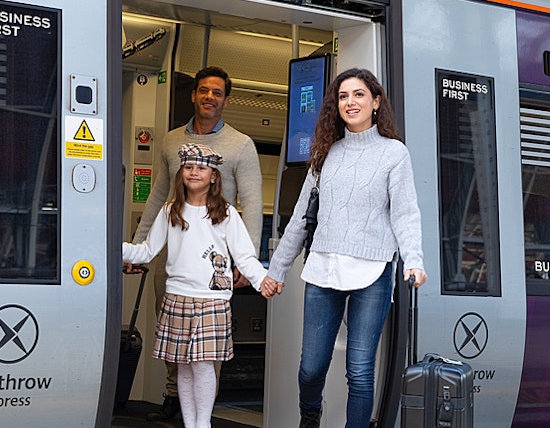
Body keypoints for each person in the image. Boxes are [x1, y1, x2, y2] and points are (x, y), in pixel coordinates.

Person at [261, 68, 427, 428]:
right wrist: (276, 271)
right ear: (335, 106)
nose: (350, 102)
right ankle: (310, 415)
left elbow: (405, 214)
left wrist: (414, 260)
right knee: (310, 368)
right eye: (343, 96)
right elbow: (302, 220)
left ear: (376, 102)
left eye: (358, 95)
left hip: (373, 271)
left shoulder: (393, 154)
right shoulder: (325, 154)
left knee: (360, 370)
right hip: (323, 267)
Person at [127, 66, 263, 421]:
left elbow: (251, 205)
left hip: (214, 264)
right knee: (172, 333)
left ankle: (201, 414)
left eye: (217, 93)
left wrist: (244, 263)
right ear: (193, 95)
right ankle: (174, 397)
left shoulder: (241, 144)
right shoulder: (171, 140)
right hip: (172, 259)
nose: (209, 97)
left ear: (226, 100)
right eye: (203, 91)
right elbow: (159, 197)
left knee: (205, 348)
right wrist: (139, 248)